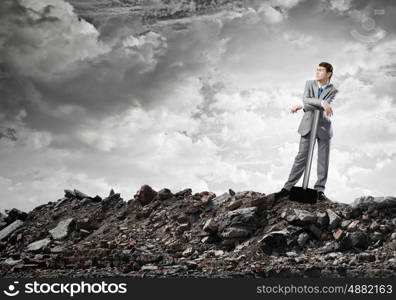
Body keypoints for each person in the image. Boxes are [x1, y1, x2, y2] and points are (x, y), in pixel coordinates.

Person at [275, 62, 339, 202]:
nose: (317, 72)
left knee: (323, 160)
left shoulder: (333, 90)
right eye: (316, 70)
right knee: (301, 158)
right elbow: (307, 99)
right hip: (308, 125)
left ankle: (319, 190)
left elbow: (313, 104)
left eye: (321, 70)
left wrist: (306, 106)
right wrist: (322, 103)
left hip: (323, 128)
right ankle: (287, 188)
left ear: (328, 73)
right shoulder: (309, 84)